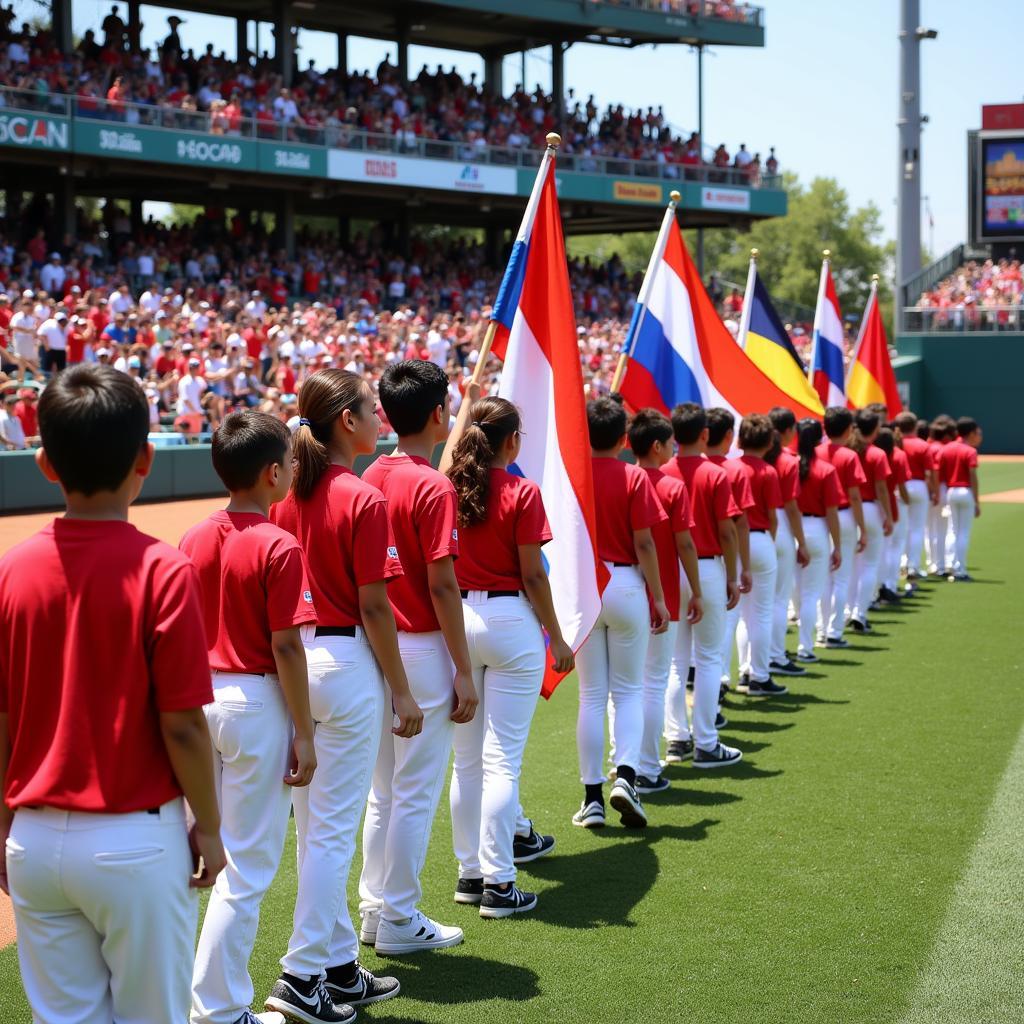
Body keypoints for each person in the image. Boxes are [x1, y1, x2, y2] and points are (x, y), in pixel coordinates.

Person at [0, 364, 225, 1023]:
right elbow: (183, 724)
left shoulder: (11, 569)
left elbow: (4, 718)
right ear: (146, 459)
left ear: (43, 463)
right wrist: (209, 825)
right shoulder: (162, 567)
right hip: (135, 841)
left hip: (35, 837)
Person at [268, 369, 420, 1021]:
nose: (380, 416)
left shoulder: (279, 491)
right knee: (330, 833)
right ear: (347, 422)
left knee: (314, 830)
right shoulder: (360, 495)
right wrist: (406, 691)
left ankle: (334, 963)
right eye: (370, 408)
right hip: (345, 657)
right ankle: (302, 976)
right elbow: (376, 607)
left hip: (292, 661)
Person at [180, 411, 319, 1024]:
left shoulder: (192, 535)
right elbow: (288, 645)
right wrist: (306, 731)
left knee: (187, 859)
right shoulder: (279, 543)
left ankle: (171, 999)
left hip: (194, 698)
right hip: (253, 698)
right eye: (288, 462)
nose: (292, 470)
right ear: (271, 473)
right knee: (245, 864)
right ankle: (220, 1009)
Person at [359, 360, 478, 955]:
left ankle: (376, 909)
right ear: (437, 414)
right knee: (413, 791)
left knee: (383, 791)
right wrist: (463, 667)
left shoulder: (367, 472)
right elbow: (442, 584)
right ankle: (399, 917)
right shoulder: (433, 485)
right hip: (422, 647)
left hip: (371, 648)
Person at [442, 395, 573, 918]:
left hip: (460, 622)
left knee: (467, 760)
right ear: (512, 441)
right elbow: (534, 573)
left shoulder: (449, 488)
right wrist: (558, 637)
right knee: (501, 761)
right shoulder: (521, 490)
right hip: (509, 621)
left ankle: (470, 875)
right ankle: (498, 883)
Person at [573, 397, 668, 830]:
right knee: (628, 690)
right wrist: (660, 596)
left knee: (592, 695)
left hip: (587, 586)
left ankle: (592, 796)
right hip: (626, 582)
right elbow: (645, 542)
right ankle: (626, 777)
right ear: (624, 438)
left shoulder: (574, 477)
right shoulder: (632, 475)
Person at [625, 408, 703, 792]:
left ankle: (622, 763)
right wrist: (698, 590)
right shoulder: (671, 485)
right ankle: (646, 768)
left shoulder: (624, 478)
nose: (674, 448)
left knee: (622, 688)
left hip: (619, 591)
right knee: (654, 681)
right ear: (656, 445)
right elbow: (685, 543)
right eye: (670, 442)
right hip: (660, 593)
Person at [663, 403, 742, 768]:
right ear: (705, 434)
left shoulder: (662, 470)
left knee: (676, 662)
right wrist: (734, 573)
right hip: (705, 567)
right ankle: (707, 742)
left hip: (668, 569)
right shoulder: (714, 473)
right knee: (708, 659)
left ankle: (677, 739)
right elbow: (727, 529)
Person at [735, 414, 787, 697]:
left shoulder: (730, 468)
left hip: (733, 543)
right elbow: (773, 517)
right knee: (761, 613)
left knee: (742, 615)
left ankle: (744, 671)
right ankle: (759, 675)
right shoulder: (767, 471)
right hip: (760, 539)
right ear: (769, 442)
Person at [704, 408, 754, 697]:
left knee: (676, 659)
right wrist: (740, 569)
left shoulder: (672, 467)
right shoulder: (733, 469)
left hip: (680, 563)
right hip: (716, 559)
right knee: (723, 627)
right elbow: (738, 524)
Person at [817, 408, 867, 654]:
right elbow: (855, 496)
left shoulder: (813, 452)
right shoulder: (849, 455)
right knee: (841, 577)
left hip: (817, 520)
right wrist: (862, 528)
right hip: (844, 515)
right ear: (849, 430)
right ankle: (834, 632)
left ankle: (820, 629)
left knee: (822, 579)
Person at [794, 419, 842, 661]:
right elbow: (832, 511)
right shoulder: (825, 469)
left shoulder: (788, 465)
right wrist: (838, 546)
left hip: (789, 529)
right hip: (816, 528)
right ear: (818, 439)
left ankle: (775, 654)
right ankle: (805, 647)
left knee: (784, 598)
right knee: (811, 594)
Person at [766, 407, 810, 676]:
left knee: (753, 610)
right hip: (778, 525)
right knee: (777, 600)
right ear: (787, 431)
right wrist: (801, 542)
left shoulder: (751, 458)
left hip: (753, 529)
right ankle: (775, 656)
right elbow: (792, 507)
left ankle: (753, 666)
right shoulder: (787, 459)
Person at [847, 409, 893, 634]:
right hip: (871, 509)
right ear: (875, 429)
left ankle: (847, 611)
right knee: (870, 565)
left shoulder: (847, 449)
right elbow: (882, 489)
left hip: (847, 511)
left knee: (852, 566)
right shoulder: (876, 453)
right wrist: (888, 515)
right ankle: (859, 613)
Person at [938, 416, 982, 581]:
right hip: (965, 491)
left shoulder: (947, 448)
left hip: (950, 491)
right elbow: (972, 476)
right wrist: (977, 501)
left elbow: (939, 472)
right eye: (977, 432)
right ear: (970, 433)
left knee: (952, 530)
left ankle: (950, 564)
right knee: (963, 532)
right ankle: (959, 569)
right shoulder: (970, 451)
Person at [893, 412, 935, 580]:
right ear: (915, 426)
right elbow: (929, 473)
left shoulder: (896, 443)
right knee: (917, 529)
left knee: (901, 530)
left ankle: (900, 566)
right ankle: (913, 567)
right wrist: (933, 491)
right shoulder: (923, 445)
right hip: (918, 485)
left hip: (899, 486)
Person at [874, 426, 910, 604]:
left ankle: (878, 590)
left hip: (869, 507)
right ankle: (889, 586)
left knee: (874, 555)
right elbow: (901, 485)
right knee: (893, 549)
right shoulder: (898, 455)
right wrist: (907, 500)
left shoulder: (867, 453)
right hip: (889, 506)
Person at [926, 416, 956, 575]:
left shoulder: (928, 446)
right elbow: (935, 472)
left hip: (926, 489)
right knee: (942, 528)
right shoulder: (942, 449)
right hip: (940, 488)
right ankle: (941, 565)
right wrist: (936, 492)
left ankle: (932, 563)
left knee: (929, 529)